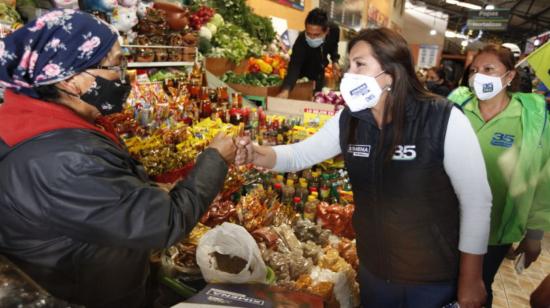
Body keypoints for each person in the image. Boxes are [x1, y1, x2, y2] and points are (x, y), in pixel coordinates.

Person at [237, 28, 492, 308]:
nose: (349, 73)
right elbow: (300, 155)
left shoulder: (442, 119)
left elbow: (477, 201)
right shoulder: (351, 120)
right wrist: (256, 154)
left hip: (432, 277)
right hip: (375, 272)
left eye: (360, 64)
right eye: (349, 65)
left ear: (392, 73)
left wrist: (471, 278)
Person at [0, 10, 236, 308]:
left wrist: (143, 189)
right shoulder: (67, 159)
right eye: (113, 65)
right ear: (71, 81)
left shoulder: (36, 125)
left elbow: (96, 201)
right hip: (86, 293)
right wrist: (215, 159)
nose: (124, 74)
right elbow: (164, 223)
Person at [448, 44, 550, 308]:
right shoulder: (457, 107)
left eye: (489, 69)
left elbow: (541, 179)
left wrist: (534, 235)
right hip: (446, 219)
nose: (478, 76)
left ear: (510, 76)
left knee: (477, 288)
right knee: (443, 286)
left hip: (495, 228)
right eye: (474, 70)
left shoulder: (530, 120)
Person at [277, 8, 340, 98]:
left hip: (319, 73)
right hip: (303, 77)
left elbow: (333, 45)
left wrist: (335, 60)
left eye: (316, 35)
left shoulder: (334, 30)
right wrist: (286, 90)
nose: (311, 38)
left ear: (326, 31)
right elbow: (294, 67)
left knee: (316, 99)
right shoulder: (301, 41)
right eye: (308, 33)